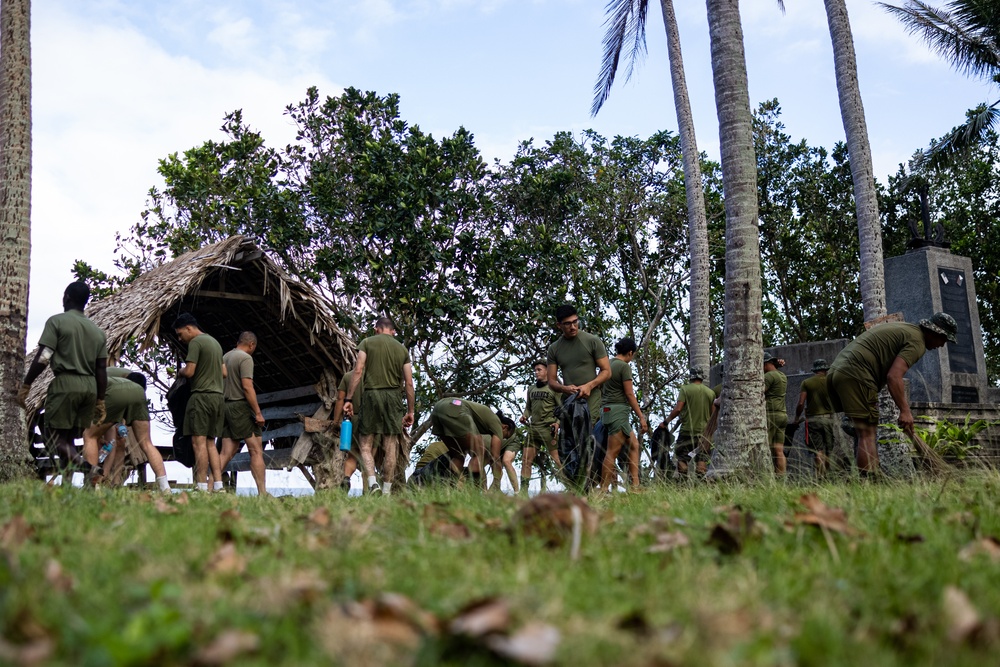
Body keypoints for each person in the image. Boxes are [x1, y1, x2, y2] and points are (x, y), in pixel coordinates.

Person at [828, 312, 957, 474]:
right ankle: (869, 485)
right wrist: (905, 411)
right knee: (867, 432)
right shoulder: (918, 342)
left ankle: (864, 479)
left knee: (861, 429)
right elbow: (894, 377)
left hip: (838, 371)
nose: (942, 345)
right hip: (857, 373)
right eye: (944, 339)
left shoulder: (908, 330)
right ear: (934, 332)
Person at [20, 281, 108, 480]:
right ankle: (67, 487)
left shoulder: (57, 322)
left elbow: (44, 356)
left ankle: (86, 467)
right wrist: (100, 400)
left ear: (67, 296)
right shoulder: (97, 332)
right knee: (68, 440)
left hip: (66, 384)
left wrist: (27, 383)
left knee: (53, 436)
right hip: (90, 387)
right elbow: (101, 369)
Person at [344, 316, 415, 496]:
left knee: (365, 445)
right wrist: (410, 411)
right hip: (393, 398)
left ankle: (373, 482)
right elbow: (409, 383)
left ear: (376, 329)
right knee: (390, 446)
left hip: (371, 395)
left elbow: (358, 370)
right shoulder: (402, 349)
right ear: (393, 331)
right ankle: (386, 491)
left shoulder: (367, 342)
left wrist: (349, 399)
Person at [82, 372, 171, 491]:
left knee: (89, 436)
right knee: (146, 443)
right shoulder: (128, 379)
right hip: (137, 393)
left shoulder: (95, 380)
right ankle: (165, 488)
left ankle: (91, 486)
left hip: (113, 395)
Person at [173, 312, 227, 492]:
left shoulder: (195, 343)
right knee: (211, 442)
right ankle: (218, 485)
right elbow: (224, 372)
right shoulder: (214, 343)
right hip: (218, 397)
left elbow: (189, 372)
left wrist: (180, 371)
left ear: (189, 328)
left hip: (201, 397)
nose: (180, 339)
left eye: (180, 334)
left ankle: (201, 486)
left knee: (198, 442)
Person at [219, 332, 268, 496]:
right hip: (239, 406)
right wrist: (258, 413)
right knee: (255, 450)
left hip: (225, 407)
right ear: (251, 345)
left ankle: (210, 486)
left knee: (226, 452)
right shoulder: (245, 358)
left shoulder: (225, 356)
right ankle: (262, 493)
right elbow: (247, 387)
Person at [547, 304, 611, 427]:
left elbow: (607, 371)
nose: (573, 327)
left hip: (591, 396)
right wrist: (564, 388)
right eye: (567, 324)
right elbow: (551, 381)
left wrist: (589, 386)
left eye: (575, 322)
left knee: (586, 434)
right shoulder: (554, 348)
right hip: (569, 399)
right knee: (570, 439)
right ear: (559, 325)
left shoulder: (592, 341)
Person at [429, 397, 514, 489]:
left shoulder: (485, 418)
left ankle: (450, 489)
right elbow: (495, 457)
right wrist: (497, 481)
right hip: (457, 408)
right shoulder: (497, 423)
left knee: (458, 455)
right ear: (505, 427)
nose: (502, 438)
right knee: (479, 453)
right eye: (505, 436)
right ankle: (470, 489)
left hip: (438, 407)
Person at [599, 338, 648, 491]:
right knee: (612, 452)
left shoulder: (608, 364)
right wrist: (641, 416)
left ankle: (635, 486)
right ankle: (603, 489)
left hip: (607, 410)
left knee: (634, 445)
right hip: (618, 412)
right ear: (630, 352)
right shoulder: (623, 366)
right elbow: (630, 394)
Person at [664, 366, 715, 477]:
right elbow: (713, 415)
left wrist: (666, 422)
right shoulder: (710, 393)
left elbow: (678, 409)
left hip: (687, 431)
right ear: (702, 377)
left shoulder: (685, 389)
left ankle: (683, 485)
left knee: (682, 458)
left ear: (691, 377)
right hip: (704, 434)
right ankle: (701, 485)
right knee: (702, 459)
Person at [519, 360, 560, 492]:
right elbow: (528, 408)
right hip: (533, 429)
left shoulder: (555, 388)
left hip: (548, 429)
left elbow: (562, 409)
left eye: (539, 370)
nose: (536, 372)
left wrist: (558, 423)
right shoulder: (531, 388)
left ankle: (574, 488)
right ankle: (523, 492)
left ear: (547, 370)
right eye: (535, 370)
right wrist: (524, 415)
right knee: (526, 461)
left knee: (557, 461)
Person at [794, 358, 837, 478]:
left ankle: (819, 476)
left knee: (817, 449)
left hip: (814, 420)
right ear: (825, 369)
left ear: (815, 370)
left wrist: (797, 417)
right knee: (829, 449)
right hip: (828, 419)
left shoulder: (807, 383)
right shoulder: (832, 381)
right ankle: (827, 475)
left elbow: (801, 403)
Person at [333, 368, 368, 494]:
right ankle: (366, 491)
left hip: (352, 420)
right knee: (368, 457)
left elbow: (340, 399)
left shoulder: (348, 376)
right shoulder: (373, 376)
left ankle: (346, 478)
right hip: (370, 420)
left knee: (352, 456)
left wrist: (336, 422)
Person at [764, 353, 789, 474]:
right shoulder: (782, 375)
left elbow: (759, 392)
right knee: (779, 450)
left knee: (766, 448)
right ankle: (781, 478)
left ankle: (766, 477)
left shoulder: (768, 376)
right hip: (782, 414)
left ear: (765, 364)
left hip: (770, 415)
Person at [497, 418, 523, 492]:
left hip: (511, 441)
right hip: (497, 443)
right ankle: (489, 491)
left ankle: (517, 492)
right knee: (495, 466)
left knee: (506, 461)